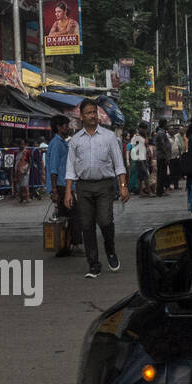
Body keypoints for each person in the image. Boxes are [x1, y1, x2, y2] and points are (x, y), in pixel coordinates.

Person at [64, 98, 129, 278]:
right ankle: (93, 263)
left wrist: (123, 186)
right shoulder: (75, 141)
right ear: (81, 117)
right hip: (83, 186)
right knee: (86, 225)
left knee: (106, 221)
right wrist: (68, 191)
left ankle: (110, 251)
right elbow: (70, 168)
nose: (93, 116)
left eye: (94, 112)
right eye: (89, 113)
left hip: (105, 186)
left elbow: (119, 165)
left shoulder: (109, 138)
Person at [45, 114, 76, 257]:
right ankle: (67, 245)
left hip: (63, 184)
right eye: (66, 126)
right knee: (71, 216)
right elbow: (53, 169)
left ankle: (65, 245)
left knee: (66, 217)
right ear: (58, 127)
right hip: (61, 185)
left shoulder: (60, 142)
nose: (68, 128)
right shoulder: (57, 143)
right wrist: (55, 190)